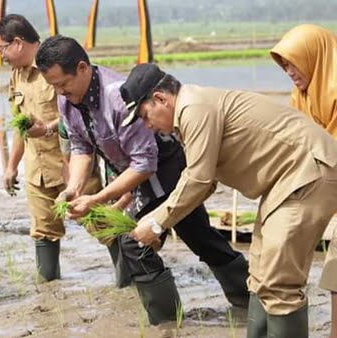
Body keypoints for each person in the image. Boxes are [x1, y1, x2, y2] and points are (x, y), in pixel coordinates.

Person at [35, 35, 249, 328]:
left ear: (82, 68)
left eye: (63, 84)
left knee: (198, 238)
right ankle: (166, 321)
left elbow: (145, 164)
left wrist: (96, 200)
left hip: (165, 170)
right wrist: (73, 189)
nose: (60, 92)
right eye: (54, 86)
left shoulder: (116, 98)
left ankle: (247, 301)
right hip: (132, 174)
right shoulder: (67, 102)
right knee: (136, 244)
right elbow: (81, 147)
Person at [124, 63, 337, 337]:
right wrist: (161, 222)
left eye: (144, 116)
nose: (147, 126)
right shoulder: (191, 112)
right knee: (259, 277)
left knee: (279, 283)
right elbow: (204, 181)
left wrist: (156, 224)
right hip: (284, 183)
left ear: (160, 99)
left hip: (307, 173)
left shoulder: (194, 108)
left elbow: (198, 180)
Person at [0, 15, 102, 281]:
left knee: (100, 223)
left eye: (2, 49)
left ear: (17, 43)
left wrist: (48, 127)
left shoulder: (55, 65)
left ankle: (128, 282)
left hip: (70, 165)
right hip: (36, 170)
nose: (1, 56)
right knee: (43, 231)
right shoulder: (16, 77)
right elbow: (22, 125)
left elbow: (77, 113)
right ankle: (48, 294)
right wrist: (10, 166)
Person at [270, 24, 337, 337]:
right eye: (283, 65)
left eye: (292, 62)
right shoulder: (302, 98)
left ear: (314, 57)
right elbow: (296, 147)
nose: (288, 71)